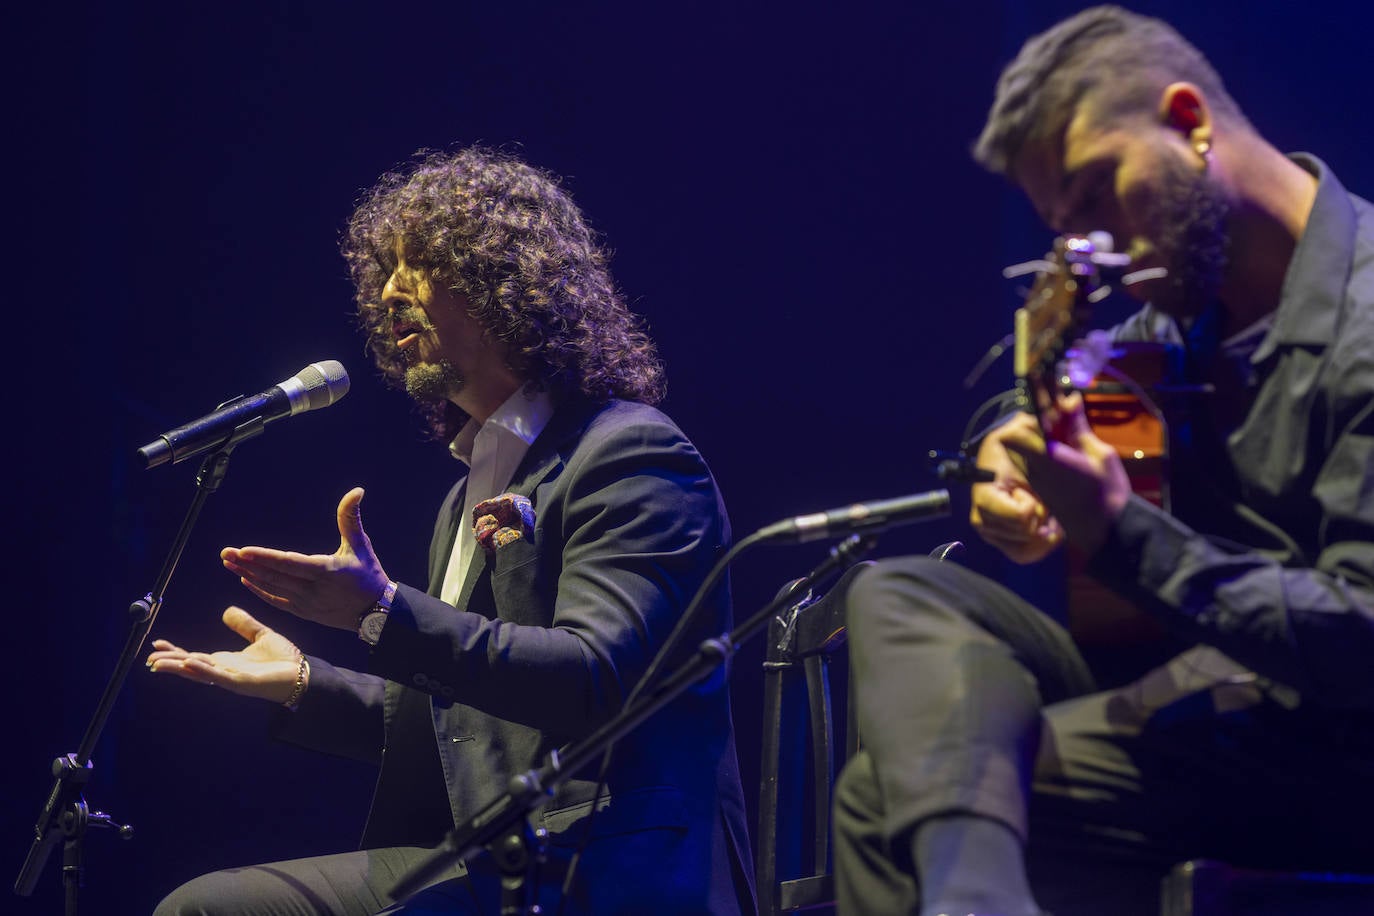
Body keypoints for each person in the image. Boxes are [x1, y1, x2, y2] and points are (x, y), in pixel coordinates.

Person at [832, 6, 1374, 916]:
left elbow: (1362, 636)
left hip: (1338, 746)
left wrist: (1122, 534)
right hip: (1207, 697)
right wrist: (1007, 444)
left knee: (882, 797)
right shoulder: (1180, 316)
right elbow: (1088, 379)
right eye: (1061, 223)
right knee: (901, 594)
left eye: (1095, 192)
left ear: (1189, 124)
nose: (1090, 247)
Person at [147, 145, 755, 915]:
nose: (391, 292)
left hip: (608, 858)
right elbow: (466, 719)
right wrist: (305, 683)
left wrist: (381, 611)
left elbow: (597, 676)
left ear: (504, 281)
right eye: (385, 274)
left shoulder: (629, 449)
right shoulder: (467, 490)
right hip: (499, 857)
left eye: (419, 265)